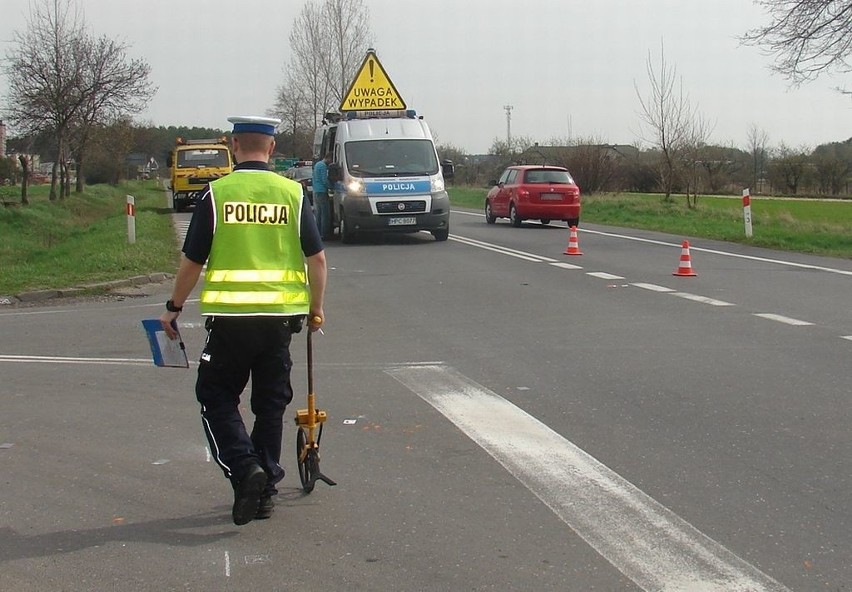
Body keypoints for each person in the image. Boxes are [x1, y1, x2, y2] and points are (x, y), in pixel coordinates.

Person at [159, 115, 327, 526]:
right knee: (270, 405)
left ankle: (244, 467)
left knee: (215, 397)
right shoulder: (292, 194)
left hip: (231, 321)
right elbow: (317, 260)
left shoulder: (216, 195)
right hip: (277, 322)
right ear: (271, 149)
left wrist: (174, 307)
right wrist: (316, 308)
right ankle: (265, 488)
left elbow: (192, 261)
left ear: (234, 146)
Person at [312, 152, 333, 239]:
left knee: (319, 213)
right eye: (331, 159)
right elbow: (324, 180)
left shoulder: (317, 164)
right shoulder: (323, 166)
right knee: (325, 214)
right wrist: (332, 186)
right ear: (328, 158)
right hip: (322, 191)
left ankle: (318, 233)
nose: (331, 162)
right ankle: (325, 234)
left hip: (316, 191)